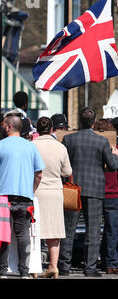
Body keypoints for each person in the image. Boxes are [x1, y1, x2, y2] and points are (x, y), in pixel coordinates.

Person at [58, 107, 118, 277]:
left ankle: (64, 266)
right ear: (94, 123)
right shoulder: (101, 142)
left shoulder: (69, 139)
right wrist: (115, 155)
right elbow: (113, 166)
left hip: (73, 188)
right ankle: (90, 267)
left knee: (68, 229)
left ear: (80, 121)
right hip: (94, 189)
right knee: (93, 230)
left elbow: (63, 164)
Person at [0, 112, 45, 279]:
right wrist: (30, 190)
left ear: (10, 126)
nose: (2, 126)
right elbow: (39, 174)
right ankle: (24, 271)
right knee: (23, 235)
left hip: (3, 196)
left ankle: (2, 270)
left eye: (4, 124)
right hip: (25, 197)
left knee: (3, 234)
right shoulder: (31, 147)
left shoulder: (1, 145)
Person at [33, 116, 72, 279]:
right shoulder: (60, 147)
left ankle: (34, 267)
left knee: (34, 231)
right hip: (55, 191)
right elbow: (67, 172)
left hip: (36, 190)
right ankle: (53, 266)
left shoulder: (32, 146)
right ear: (51, 129)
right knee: (54, 231)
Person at [95, 119, 118, 275]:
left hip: (96, 191)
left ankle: (94, 262)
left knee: (94, 229)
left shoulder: (93, 147)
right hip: (112, 192)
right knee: (112, 230)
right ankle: (111, 262)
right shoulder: (116, 148)